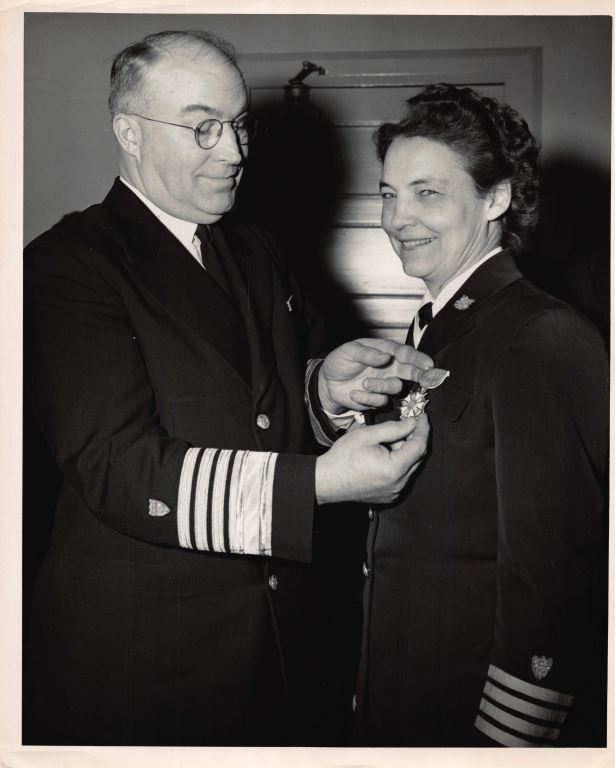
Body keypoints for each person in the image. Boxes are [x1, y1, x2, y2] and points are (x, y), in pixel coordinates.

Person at [22, 30, 434, 746]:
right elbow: (120, 466)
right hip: (147, 665)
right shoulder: (69, 266)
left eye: (238, 124)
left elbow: (269, 407)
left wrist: (326, 390)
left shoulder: (254, 246)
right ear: (129, 132)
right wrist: (319, 486)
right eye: (203, 127)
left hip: (280, 651)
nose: (236, 151)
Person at [348, 84, 608, 747]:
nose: (397, 216)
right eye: (387, 193)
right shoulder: (438, 325)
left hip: (467, 719)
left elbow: (554, 573)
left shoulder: (540, 335)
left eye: (426, 193)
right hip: (404, 697)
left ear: (494, 199)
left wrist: (506, 743)